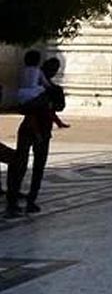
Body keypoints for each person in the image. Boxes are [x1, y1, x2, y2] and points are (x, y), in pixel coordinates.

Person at [6, 58, 68, 218]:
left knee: (21, 164)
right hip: (39, 130)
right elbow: (58, 107)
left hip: (29, 129)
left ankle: (15, 201)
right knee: (35, 167)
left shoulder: (32, 89)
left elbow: (28, 109)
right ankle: (27, 201)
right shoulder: (50, 90)